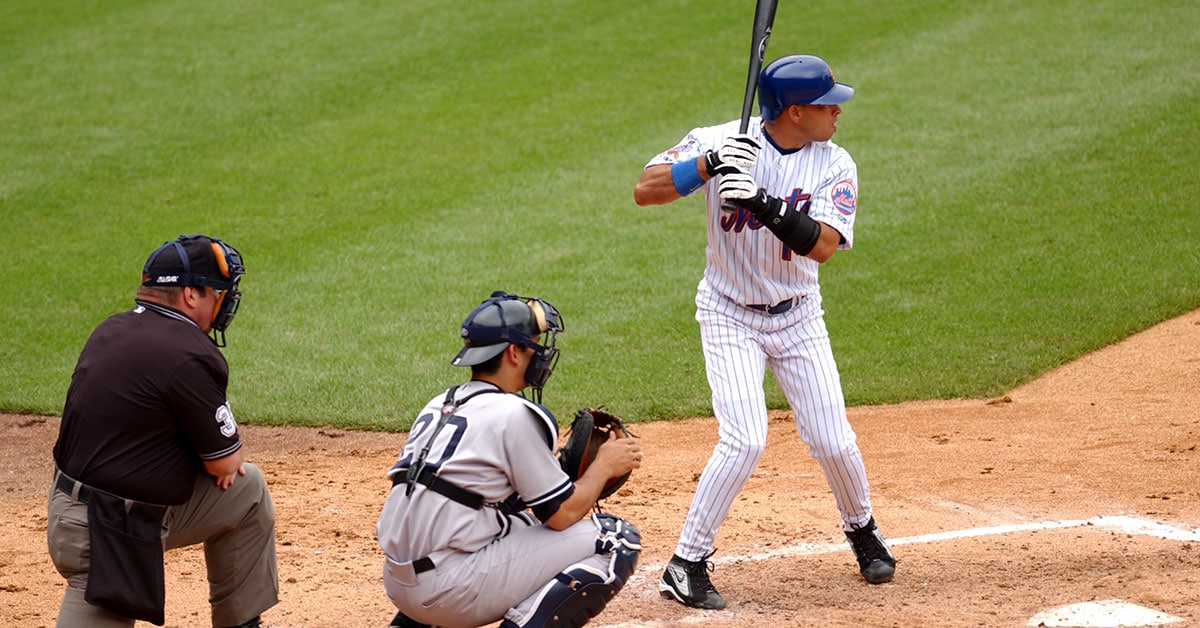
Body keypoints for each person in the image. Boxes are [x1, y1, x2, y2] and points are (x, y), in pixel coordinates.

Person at [633, 54, 896, 609]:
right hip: (729, 314)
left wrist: (760, 200)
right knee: (745, 438)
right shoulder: (723, 139)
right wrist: (706, 165)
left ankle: (862, 529)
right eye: (828, 103)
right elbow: (645, 189)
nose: (838, 112)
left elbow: (822, 245)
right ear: (795, 111)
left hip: (799, 314)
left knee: (832, 438)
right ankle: (686, 563)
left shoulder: (834, 162)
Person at [47, 234, 277, 628]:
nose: (223, 304)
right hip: (105, 538)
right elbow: (224, 463)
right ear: (190, 295)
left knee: (247, 492)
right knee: (240, 478)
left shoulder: (111, 329)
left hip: (69, 511)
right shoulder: (189, 353)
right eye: (217, 293)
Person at [376, 291, 643, 628]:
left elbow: (491, 496)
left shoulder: (440, 403)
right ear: (514, 353)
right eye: (535, 345)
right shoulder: (514, 414)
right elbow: (560, 516)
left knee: (525, 524)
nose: (542, 355)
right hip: (448, 591)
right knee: (616, 539)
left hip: (400, 585)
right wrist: (604, 466)